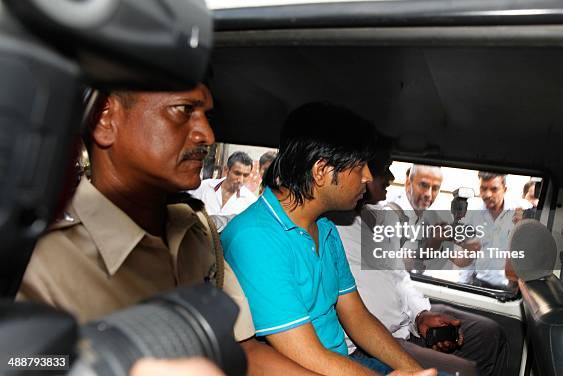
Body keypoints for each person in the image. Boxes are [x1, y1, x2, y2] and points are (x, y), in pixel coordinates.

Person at [17, 85, 315, 375]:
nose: (207, 135)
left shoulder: (196, 231)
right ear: (105, 119)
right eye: (183, 110)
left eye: (206, 116)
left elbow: (246, 353)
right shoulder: (35, 262)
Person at [221, 102, 434, 376]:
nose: (368, 177)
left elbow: (357, 316)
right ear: (322, 171)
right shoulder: (255, 240)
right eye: (360, 166)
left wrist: (416, 372)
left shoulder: (325, 227)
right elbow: (307, 354)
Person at [332, 139, 509, 376]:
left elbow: (399, 278)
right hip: (374, 340)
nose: (390, 176)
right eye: (384, 169)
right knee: (463, 370)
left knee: (490, 333)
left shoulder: (379, 218)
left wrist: (421, 317)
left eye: (435, 188)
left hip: (407, 322)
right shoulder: (331, 226)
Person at [459, 172, 528, 289]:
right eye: (483, 188)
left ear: (504, 189)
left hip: (512, 288)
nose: (487, 194)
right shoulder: (473, 215)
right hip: (481, 285)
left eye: (494, 189)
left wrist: (524, 224)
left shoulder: (522, 211)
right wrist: (461, 286)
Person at [191, 151, 257, 216]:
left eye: (245, 175)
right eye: (237, 173)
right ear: (226, 170)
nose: (240, 180)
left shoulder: (251, 201)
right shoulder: (203, 186)